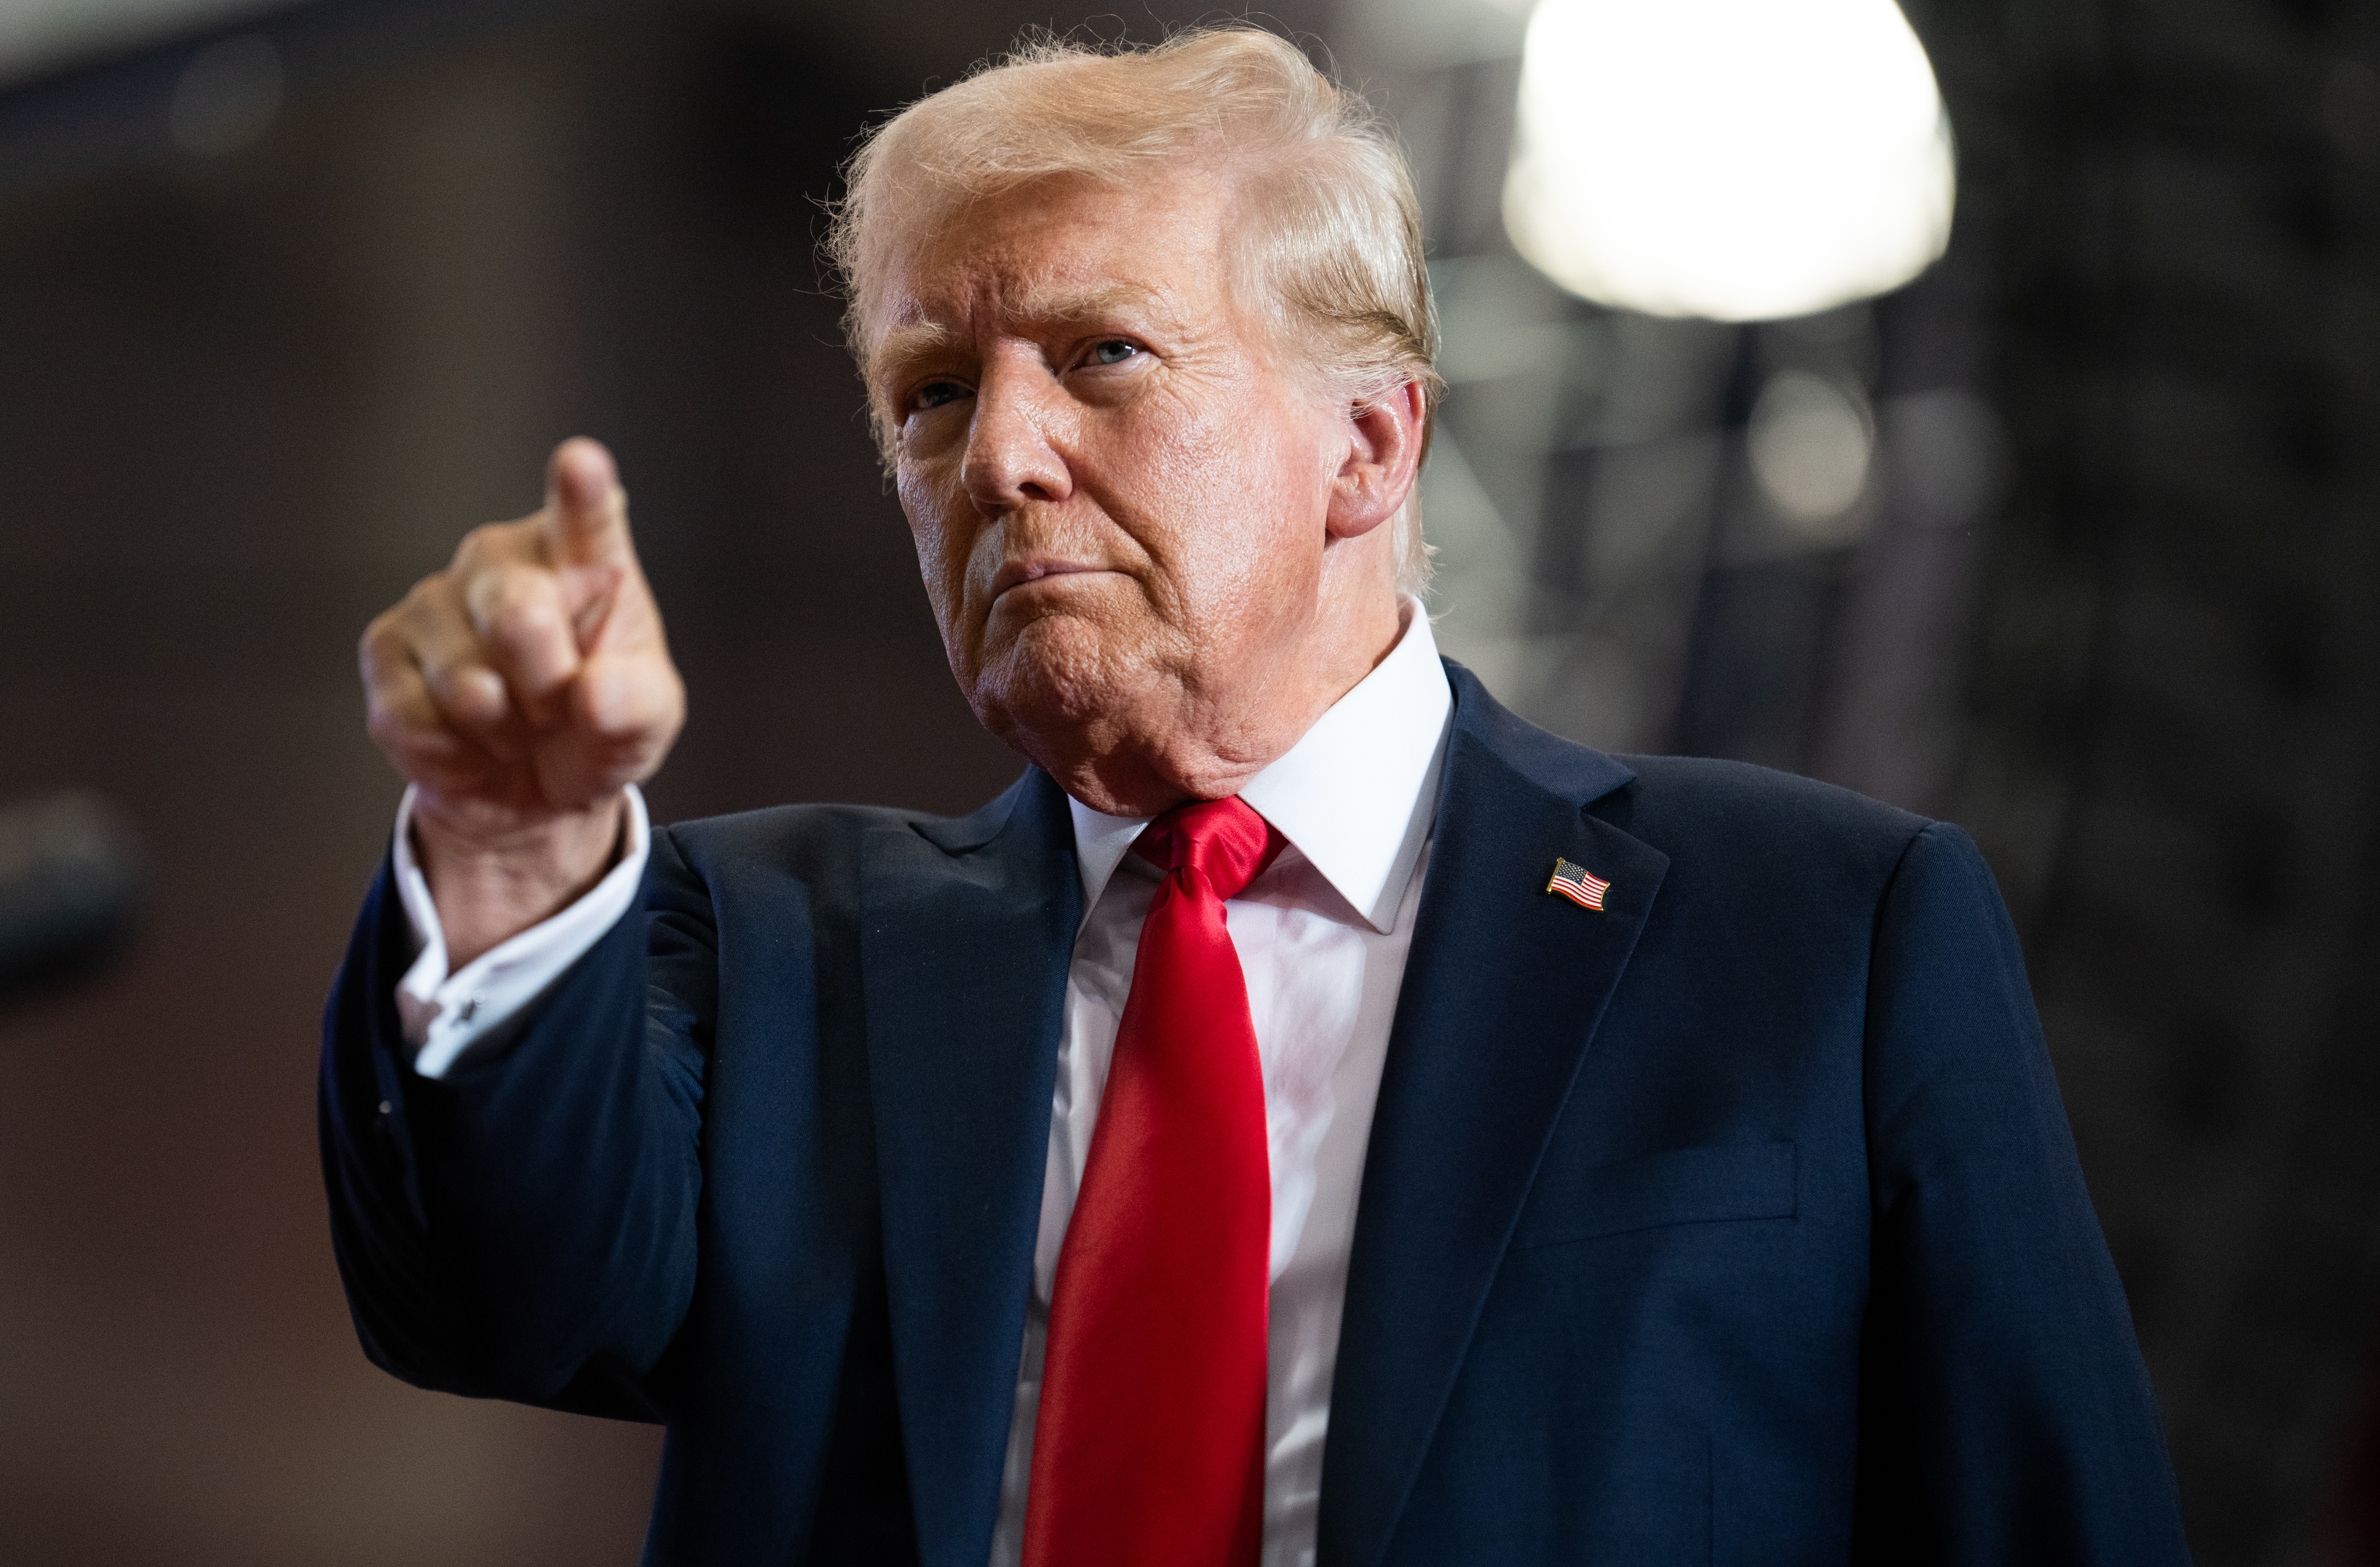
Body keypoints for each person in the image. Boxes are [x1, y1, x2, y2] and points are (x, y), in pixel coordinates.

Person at [322, 26, 2190, 1566]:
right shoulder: (770, 952)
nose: (1002, 453)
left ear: (1369, 443)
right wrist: (513, 848)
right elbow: (498, 1292)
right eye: (931, 392)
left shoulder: (1821, 936)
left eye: (1101, 356)